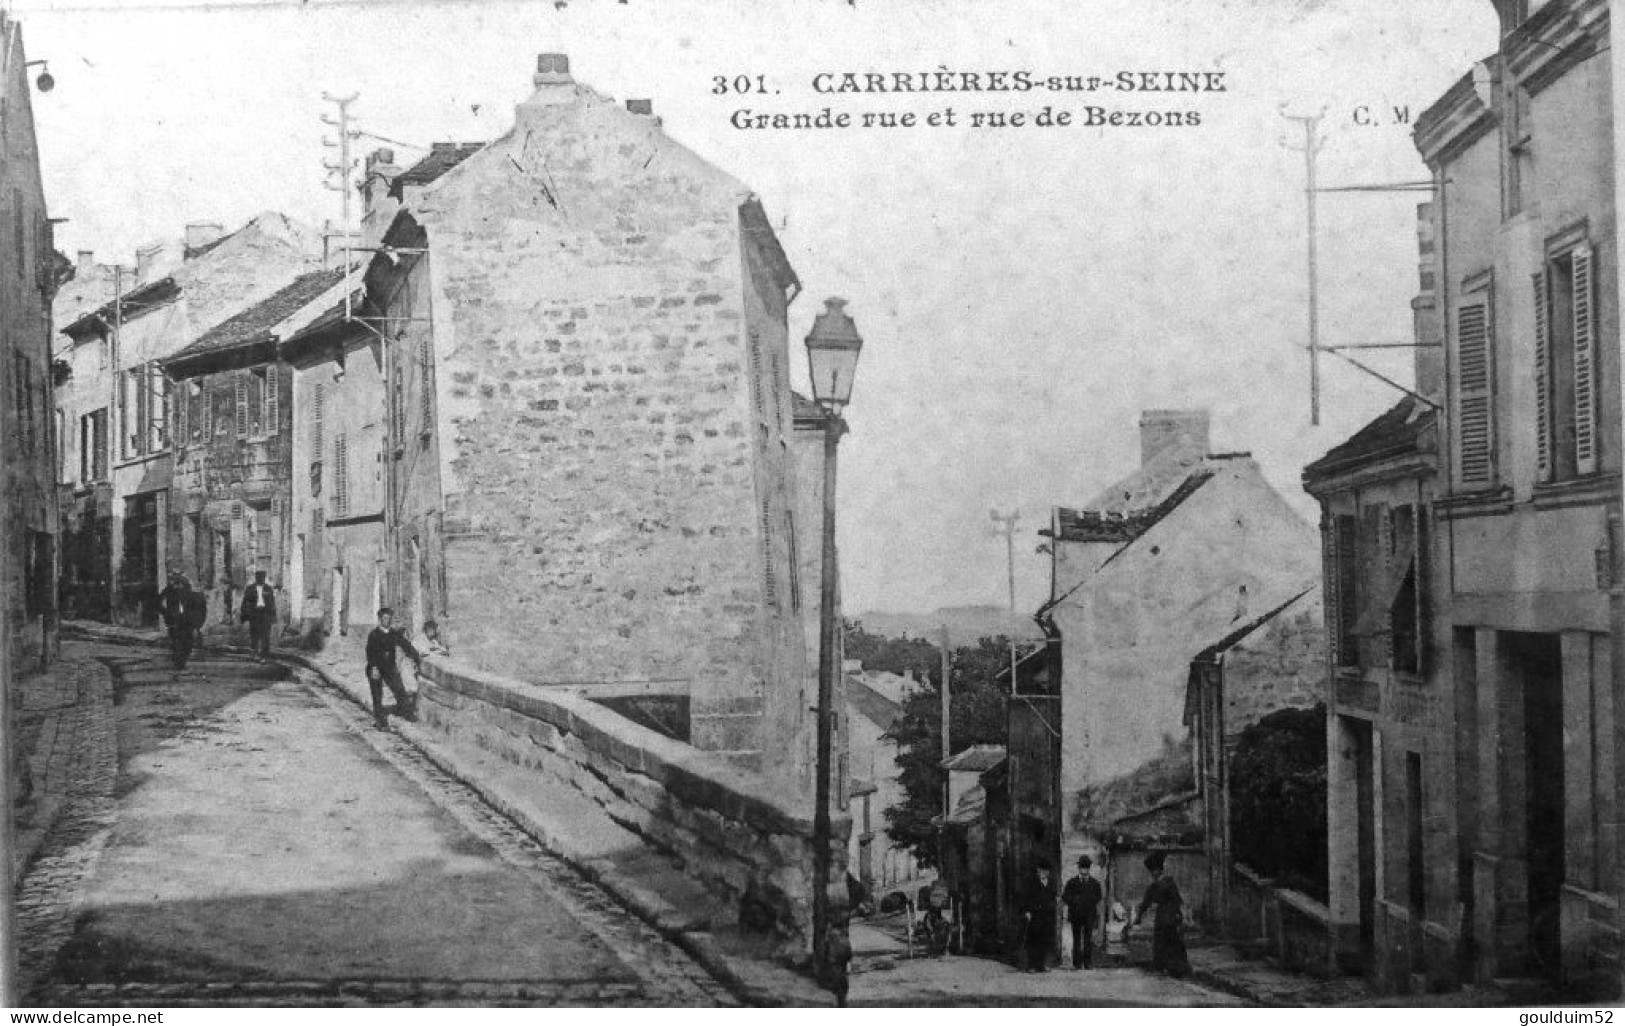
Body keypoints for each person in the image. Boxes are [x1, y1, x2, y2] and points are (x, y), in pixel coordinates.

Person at [1134, 851, 1191, 978]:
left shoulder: (1168, 884)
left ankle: (1177, 968)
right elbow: (1146, 902)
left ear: (1160, 870)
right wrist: (1139, 916)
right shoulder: (1154, 886)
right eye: (1152, 871)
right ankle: (1166, 967)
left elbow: (1177, 900)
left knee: (1172, 942)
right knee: (1163, 942)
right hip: (1162, 917)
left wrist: (1180, 915)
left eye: (1156, 870)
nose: (1154, 874)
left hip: (1170, 916)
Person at [366, 606, 422, 730]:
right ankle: (381, 721)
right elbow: (370, 653)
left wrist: (416, 657)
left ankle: (407, 713)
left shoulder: (393, 633)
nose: (387, 621)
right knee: (377, 695)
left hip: (389, 667)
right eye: (384, 618)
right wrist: (374, 668)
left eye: (389, 619)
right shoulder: (374, 634)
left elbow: (405, 645)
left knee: (399, 689)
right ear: (380, 619)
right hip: (375, 667)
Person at [1062, 854, 1104, 969]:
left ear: (1089, 868)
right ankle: (1076, 963)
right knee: (1076, 939)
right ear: (1079, 868)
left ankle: (1087, 963)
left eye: (1086, 868)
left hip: (1089, 915)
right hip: (1075, 915)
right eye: (1082, 868)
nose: (1084, 870)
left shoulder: (1094, 883)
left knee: (1088, 939)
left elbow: (1098, 896)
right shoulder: (1072, 882)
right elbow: (1065, 897)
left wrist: (1089, 901)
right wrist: (1075, 900)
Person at [1020, 860, 1056, 972]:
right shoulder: (1032, 883)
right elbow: (1026, 898)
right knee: (1034, 941)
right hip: (1035, 915)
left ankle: (1041, 965)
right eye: (1041, 871)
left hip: (1047, 916)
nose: (1043, 873)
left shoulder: (1051, 883)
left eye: (1046, 871)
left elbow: (1053, 898)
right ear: (1038, 871)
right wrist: (1027, 911)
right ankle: (1032, 965)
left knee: (1044, 941)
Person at [157, 572, 197, 671]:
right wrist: (166, 613)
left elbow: (194, 604)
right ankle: (178, 662)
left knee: (188, 642)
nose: (178, 585)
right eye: (176, 582)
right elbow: (158, 602)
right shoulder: (168, 590)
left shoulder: (188, 589)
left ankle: (182, 660)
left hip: (186, 620)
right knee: (176, 641)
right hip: (173, 619)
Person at [240, 570, 277, 660]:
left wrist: (273, 616)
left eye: (263, 577)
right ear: (256, 578)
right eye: (259, 577)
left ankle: (265, 655)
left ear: (264, 578)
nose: (261, 579)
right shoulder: (250, 588)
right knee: (254, 635)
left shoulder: (268, 589)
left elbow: (272, 603)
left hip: (265, 614)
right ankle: (254, 654)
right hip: (255, 614)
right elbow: (245, 602)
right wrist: (244, 616)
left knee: (266, 636)